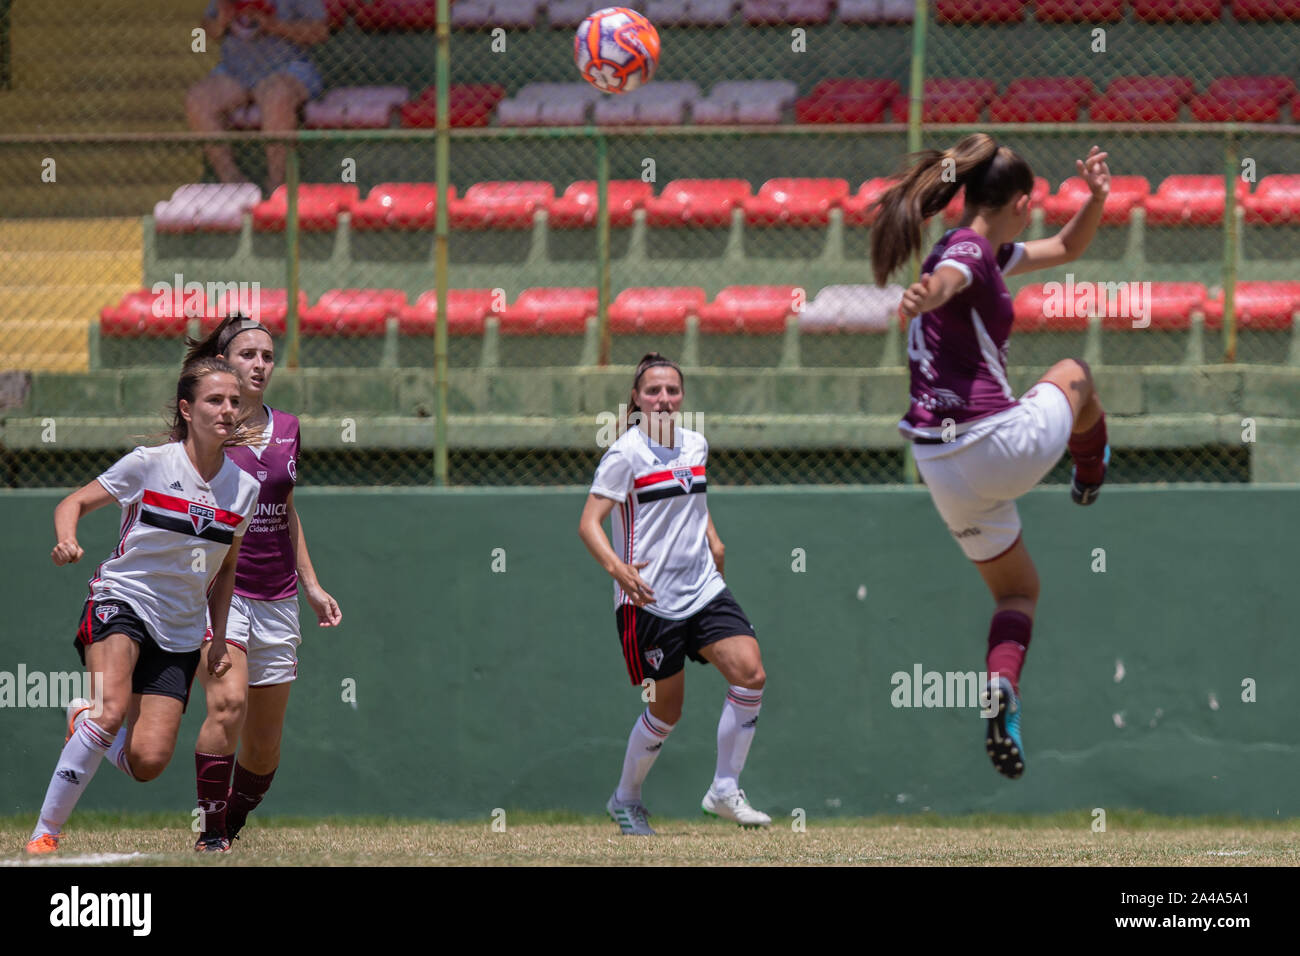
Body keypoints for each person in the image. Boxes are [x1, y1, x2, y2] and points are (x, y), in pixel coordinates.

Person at [870, 133, 1112, 779]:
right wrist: (933, 291)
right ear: (1024, 202)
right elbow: (956, 278)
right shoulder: (971, 255)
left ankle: (1003, 692)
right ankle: (1091, 471)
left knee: (1018, 592)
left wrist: (1096, 199)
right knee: (1074, 371)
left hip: (942, 470)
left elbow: (1067, 247)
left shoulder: (970, 246)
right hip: (993, 444)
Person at [25, 359, 262, 854]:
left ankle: (82, 724)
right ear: (187, 407)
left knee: (148, 762)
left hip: (180, 629)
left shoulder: (244, 489)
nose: (226, 410)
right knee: (111, 711)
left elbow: (225, 572)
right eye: (214, 400)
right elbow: (72, 502)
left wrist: (217, 638)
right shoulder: (149, 463)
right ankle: (45, 832)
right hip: (122, 601)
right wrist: (67, 539)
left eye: (234, 402)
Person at [578, 353, 771, 835]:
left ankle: (725, 789)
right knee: (668, 710)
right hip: (649, 598)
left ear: (681, 396)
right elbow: (589, 523)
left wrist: (714, 538)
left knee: (751, 674)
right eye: (653, 391)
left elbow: (692, 500)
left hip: (703, 586)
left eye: (671, 390)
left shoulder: (696, 445)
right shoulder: (626, 453)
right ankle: (625, 799)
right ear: (637, 399)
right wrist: (618, 570)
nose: (663, 399)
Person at [183, 315, 342, 851]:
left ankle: (230, 817)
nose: (259, 365)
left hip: (278, 596)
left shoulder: (290, 427)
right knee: (226, 707)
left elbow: (287, 510)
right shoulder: (208, 427)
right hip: (219, 593)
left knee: (264, 752)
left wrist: (313, 585)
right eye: (247, 354)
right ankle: (209, 834)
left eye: (267, 357)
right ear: (223, 362)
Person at [185, 0, 329, 192]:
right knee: (198, 99)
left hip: (287, 68)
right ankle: (232, 183)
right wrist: (221, 21)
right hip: (234, 72)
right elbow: (206, 30)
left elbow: (320, 32)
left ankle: (278, 187)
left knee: (277, 96)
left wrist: (272, 25)